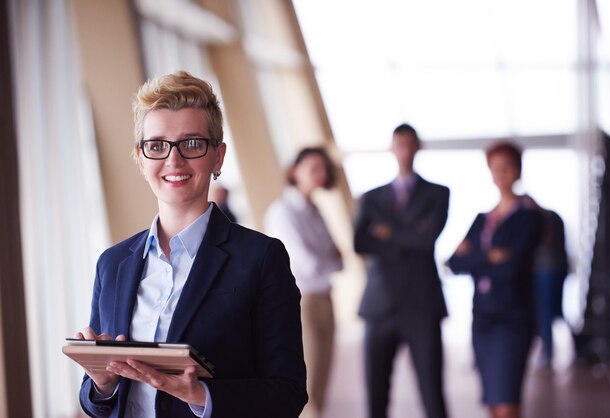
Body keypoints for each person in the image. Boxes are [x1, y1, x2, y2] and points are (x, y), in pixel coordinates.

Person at [73, 71, 307, 418]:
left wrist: (201, 395)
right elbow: (99, 404)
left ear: (218, 156)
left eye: (192, 143)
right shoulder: (113, 263)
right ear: (140, 157)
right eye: (157, 145)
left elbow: (288, 393)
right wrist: (102, 385)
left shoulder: (260, 259)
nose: (174, 160)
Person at [354, 123, 449, 418]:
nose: (405, 151)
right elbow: (360, 242)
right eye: (400, 145)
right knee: (376, 397)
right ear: (392, 148)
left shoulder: (438, 193)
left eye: (410, 145)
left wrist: (387, 233)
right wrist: (409, 233)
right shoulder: (371, 197)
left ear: (418, 148)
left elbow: (426, 241)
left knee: (433, 395)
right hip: (379, 306)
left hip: (422, 305)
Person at [446, 141, 543, 418]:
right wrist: (491, 256)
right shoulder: (481, 220)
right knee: (492, 400)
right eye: (495, 168)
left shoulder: (529, 218)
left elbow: (512, 267)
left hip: (513, 318)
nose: (501, 173)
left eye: (507, 167)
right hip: (483, 319)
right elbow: (454, 263)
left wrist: (476, 256)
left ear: (518, 170)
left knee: (507, 401)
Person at [264, 147, 343, 418]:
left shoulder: (315, 209)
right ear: (295, 171)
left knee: (322, 382)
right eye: (312, 168)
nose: (318, 174)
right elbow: (305, 262)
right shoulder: (282, 212)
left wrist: (326, 257)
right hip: (302, 303)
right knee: (305, 384)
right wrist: (327, 257)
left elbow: (340, 258)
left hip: (325, 298)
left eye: (322, 168)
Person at [532, 208, 569, 369]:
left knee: (546, 312)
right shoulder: (554, 216)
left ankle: (547, 353)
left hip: (547, 269)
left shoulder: (544, 218)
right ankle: (551, 351)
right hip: (556, 268)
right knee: (556, 312)